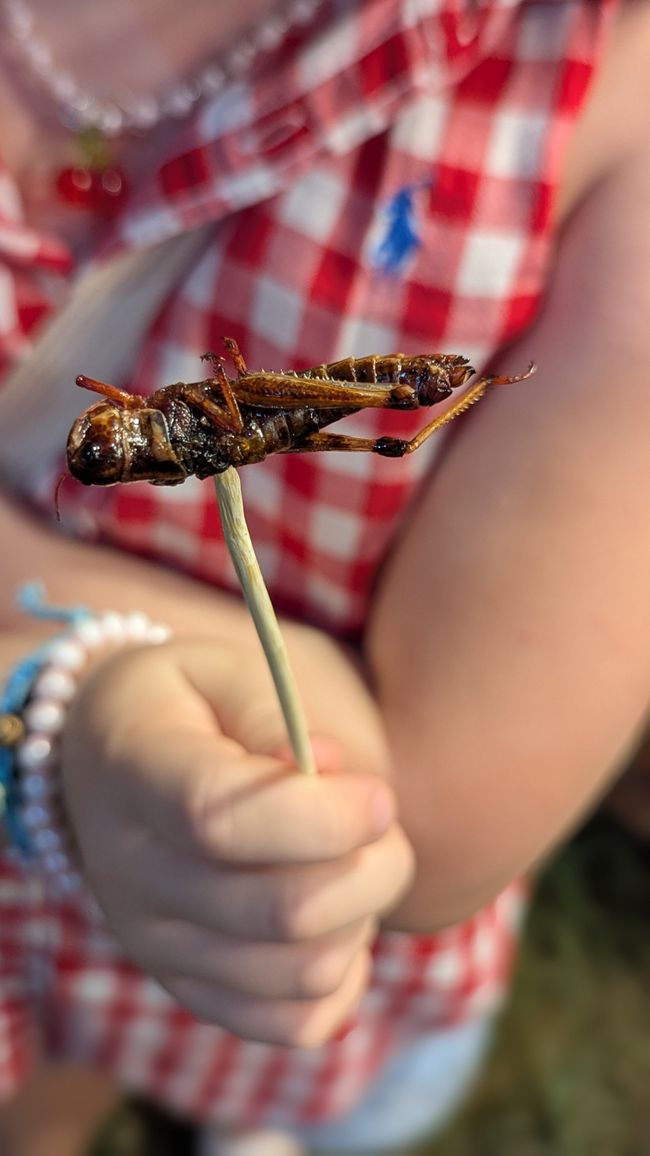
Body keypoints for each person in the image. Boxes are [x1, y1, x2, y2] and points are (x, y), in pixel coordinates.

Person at [0, 1, 648, 1154]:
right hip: (102, 768)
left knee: (152, 991)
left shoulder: (601, 105)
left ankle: (197, 1104)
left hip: (247, 912)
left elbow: (433, 825)